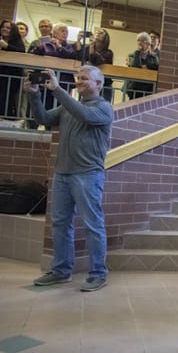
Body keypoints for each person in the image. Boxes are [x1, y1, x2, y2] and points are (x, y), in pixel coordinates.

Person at [26, 65, 113, 292]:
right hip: (63, 174)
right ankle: (61, 271)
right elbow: (43, 118)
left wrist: (57, 91)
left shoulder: (104, 108)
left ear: (99, 84)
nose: (79, 81)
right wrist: (34, 93)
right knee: (60, 224)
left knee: (93, 225)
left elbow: (83, 115)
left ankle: (98, 274)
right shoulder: (69, 107)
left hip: (88, 175)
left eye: (85, 78)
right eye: (78, 78)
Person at [77, 29, 114, 103]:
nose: (98, 33)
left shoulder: (108, 52)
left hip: (104, 84)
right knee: (86, 105)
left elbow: (98, 62)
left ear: (106, 38)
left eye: (101, 33)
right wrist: (78, 42)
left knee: (103, 105)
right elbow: (79, 57)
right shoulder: (88, 48)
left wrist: (91, 48)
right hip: (89, 83)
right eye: (97, 32)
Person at [0, 20, 26, 119]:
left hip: (12, 76)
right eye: (3, 27)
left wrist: (6, 46)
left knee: (7, 99)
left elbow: (21, 52)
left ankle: (7, 119)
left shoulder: (17, 41)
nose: (5, 29)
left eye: (8, 28)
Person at [125, 32, 159, 100]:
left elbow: (156, 69)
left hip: (147, 90)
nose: (140, 42)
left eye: (143, 40)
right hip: (134, 88)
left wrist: (147, 67)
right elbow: (135, 68)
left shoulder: (154, 57)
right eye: (138, 40)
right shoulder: (132, 55)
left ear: (148, 43)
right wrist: (137, 52)